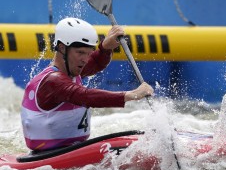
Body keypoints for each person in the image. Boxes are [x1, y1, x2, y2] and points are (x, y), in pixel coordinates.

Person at [21, 17, 153, 151]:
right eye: (80, 53)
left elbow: (95, 63)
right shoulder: (52, 81)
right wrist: (131, 95)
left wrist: (105, 47)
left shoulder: (72, 71)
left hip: (71, 149)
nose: (85, 59)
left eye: (88, 53)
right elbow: (84, 96)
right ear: (62, 48)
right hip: (46, 155)